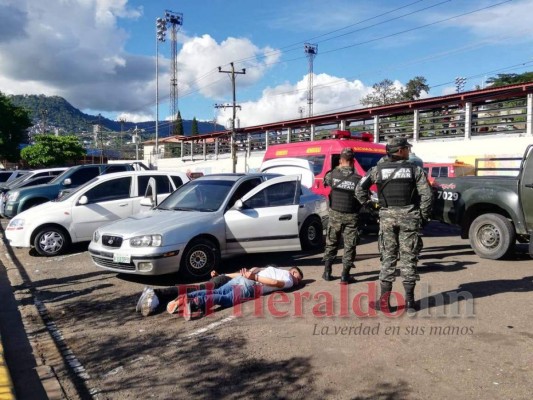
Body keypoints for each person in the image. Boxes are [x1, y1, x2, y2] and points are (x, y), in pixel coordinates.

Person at [355, 137, 432, 313]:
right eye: (407, 148)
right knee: (409, 259)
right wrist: (423, 216)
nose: (408, 151)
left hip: (387, 218)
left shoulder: (376, 170)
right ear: (400, 151)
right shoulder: (415, 170)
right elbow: (427, 195)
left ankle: (384, 304)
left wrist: (371, 208)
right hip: (409, 218)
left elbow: (359, 189)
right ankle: (410, 304)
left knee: (388, 259)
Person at [180, 264, 304, 320]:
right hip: (251, 285)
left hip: (244, 278)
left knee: (218, 291)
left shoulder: (273, 268)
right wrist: (254, 278)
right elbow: (275, 283)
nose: (297, 282)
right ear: (293, 272)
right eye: (298, 278)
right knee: (226, 299)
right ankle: (195, 303)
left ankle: (189, 296)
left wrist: (224, 275)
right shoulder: (289, 279)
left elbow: (255, 269)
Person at [322, 147, 362, 283]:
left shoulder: (332, 175)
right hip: (351, 216)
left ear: (340, 160)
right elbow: (363, 197)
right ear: (353, 162)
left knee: (331, 243)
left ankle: (327, 272)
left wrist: (338, 169)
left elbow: (325, 182)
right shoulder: (358, 179)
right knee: (349, 245)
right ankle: (345, 275)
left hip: (335, 215)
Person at [136, 270, 245, 317]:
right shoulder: (259, 272)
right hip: (225, 281)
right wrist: (222, 274)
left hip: (225, 280)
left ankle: (156, 298)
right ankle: (157, 293)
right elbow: (244, 274)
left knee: (195, 290)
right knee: (195, 289)